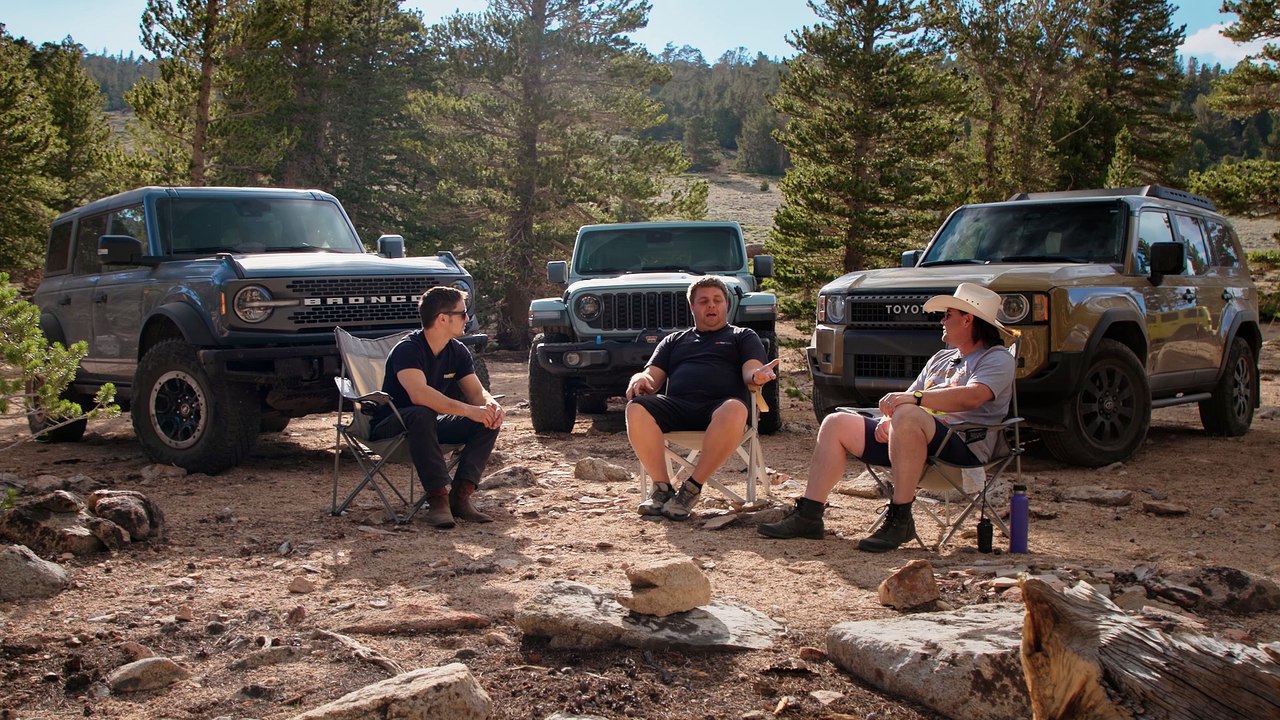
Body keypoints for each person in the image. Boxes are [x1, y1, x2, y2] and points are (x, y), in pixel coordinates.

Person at [759, 283, 1015, 552]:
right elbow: (909, 397)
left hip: (963, 445)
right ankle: (809, 515)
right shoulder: (942, 358)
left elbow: (973, 396)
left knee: (906, 413)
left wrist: (909, 406)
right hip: (913, 440)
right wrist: (888, 420)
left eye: (947, 315)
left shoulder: (996, 359)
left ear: (967, 319)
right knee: (835, 423)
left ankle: (900, 518)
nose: (942, 320)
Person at [627, 276, 779, 520]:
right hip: (679, 408)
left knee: (735, 408)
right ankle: (663, 490)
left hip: (720, 413)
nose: (711, 305)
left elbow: (751, 370)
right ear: (692, 307)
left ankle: (691, 488)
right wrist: (639, 378)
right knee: (636, 408)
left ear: (726, 305)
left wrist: (757, 377)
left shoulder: (742, 336)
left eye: (717, 300)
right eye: (704, 301)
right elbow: (651, 376)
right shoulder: (674, 340)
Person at [370, 286, 504, 529]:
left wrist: (489, 405)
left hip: (428, 427)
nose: (468, 318)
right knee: (422, 413)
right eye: (463, 313)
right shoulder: (408, 349)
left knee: (487, 419)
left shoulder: (457, 350)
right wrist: (469, 410)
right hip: (392, 427)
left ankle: (461, 496)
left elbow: (476, 392)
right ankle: (438, 498)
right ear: (442, 318)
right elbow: (419, 394)